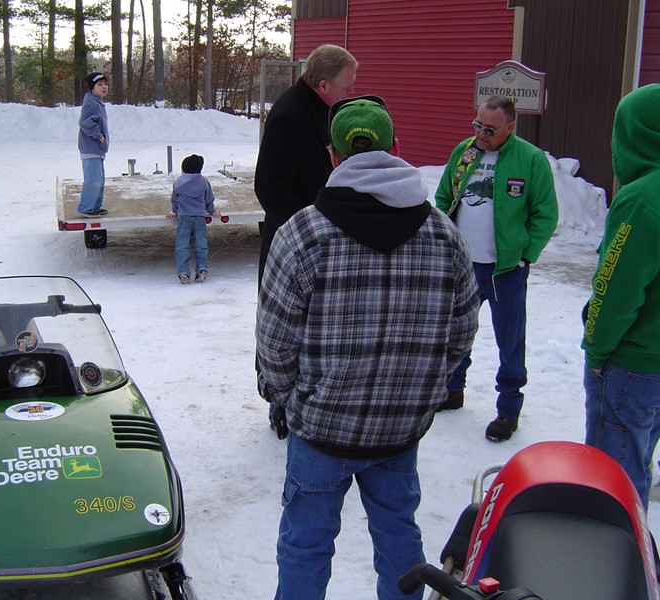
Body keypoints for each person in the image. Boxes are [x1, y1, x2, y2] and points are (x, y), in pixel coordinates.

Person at [256, 96, 479, 600]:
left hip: (320, 429)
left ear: (333, 156)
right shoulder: (445, 236)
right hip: (400, 429)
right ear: (396, 148)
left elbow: (274, 342)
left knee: (306, 545)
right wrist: (423, 389)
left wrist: (289, 398)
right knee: (399, 536)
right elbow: (462, 333)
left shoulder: (303, 233)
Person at [434, 95, 558, 442]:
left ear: (510, 127)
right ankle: (452, 391)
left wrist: (525, 255)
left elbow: (545, 214)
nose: (480, 134)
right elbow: (444, 197)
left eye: (489, 129)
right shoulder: (466, 152)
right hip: (464, 267)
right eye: (476, 125)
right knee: (456, 333)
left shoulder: (530, 160)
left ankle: (507, 410)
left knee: (510, 341)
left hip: (506, 271)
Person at [254, 44, 358, 436]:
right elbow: (268, 188)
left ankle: (309, 397)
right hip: (291, 239)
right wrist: (308, 224)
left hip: (318, 235)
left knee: (315, 327)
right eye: (347, 84)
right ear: (324, 83)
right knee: (282, 326)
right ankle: (278, 403)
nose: (352, 90)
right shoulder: (289, 115)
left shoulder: (323, 108)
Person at [582, 83, 660, 510]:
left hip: (632, 363)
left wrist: (596, 350)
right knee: (639, 460)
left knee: (614, 477)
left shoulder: (642, 200)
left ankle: (618, 562)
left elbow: (615, 290)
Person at [166, 154, 221, 284]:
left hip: (184, 218)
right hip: (199, 218)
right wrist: (212, 211)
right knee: (201, 245)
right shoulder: (204, 182)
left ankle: (183, 273)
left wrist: (174, 211)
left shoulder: (178, 183)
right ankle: (202, 269)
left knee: (182, 246)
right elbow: (209, 199)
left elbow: (175, 200)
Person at [77, 72, 110, 217]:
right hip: (91, 147)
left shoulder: (97, 102)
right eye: (100, 84)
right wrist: (98, 135)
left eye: (105, 84)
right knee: (93, 179)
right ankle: (86, 207)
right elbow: (85, 122)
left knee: (99, 179)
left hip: (97, 149)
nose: (104, 87)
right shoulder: (91, 102)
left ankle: (95, 207)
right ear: (92, 88)